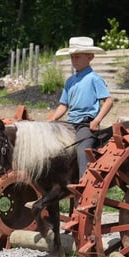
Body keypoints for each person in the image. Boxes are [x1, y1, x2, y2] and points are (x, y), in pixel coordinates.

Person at [47, 36, 114, 177]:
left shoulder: (94, 78)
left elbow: (108, 101)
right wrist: (52, 119)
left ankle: (86, 182)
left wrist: (96, 121)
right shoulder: (70, 81)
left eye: (77, 57)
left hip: (85, 124)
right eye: (72, 57)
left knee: (83, 149)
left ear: (90, 57)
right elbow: (63, 105)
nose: (74, 60)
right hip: (70, 123)